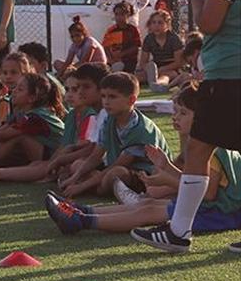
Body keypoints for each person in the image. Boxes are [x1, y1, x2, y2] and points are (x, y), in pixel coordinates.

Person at [134, 0, 241, 253]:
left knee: (197, 149)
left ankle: (179, 231)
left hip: (228, 75)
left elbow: (209, 24)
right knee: (199, 147)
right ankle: (178, 230)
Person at [48, 84, 240, 239]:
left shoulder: (209, 149)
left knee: (148, 210)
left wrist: (167, 175)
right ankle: (80, 211)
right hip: (216, 207)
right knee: (147, 204)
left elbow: (208, 193)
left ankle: (80, 221)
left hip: (225, 213)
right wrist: (166, 169)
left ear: (202, 118)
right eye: (176, 111)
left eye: (183, 113)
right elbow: (194, 183)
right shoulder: (199, 143)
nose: (175, 117)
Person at [58, 72, 169, 199]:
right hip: (113, 168)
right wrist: (74, 178)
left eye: (112, 97)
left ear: (131, 100)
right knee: (78, 164)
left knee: (116, 174)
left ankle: (94, 189)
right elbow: (96, 155)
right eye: (103, 96)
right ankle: (92, 185)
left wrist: (80, 186)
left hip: (145, 176)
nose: (106, 102)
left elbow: (119, 164)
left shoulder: (141, 129)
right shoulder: (109, 120)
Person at [136, 9, 183, 92]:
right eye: (154, 22)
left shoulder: (173, 38)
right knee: (139, 76)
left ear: (167, 25)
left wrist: (162, 69)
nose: (156, 26)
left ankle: (158, 84)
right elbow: (143, 62)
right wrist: (148, 69)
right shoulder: (149, 39)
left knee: (166, 75)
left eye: (160, 23)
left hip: (171, 67)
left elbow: (179, 62)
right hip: (155, 66)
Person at [102, 2, 142, 72]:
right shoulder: (111, 30)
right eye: (116, 14)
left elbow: (137, 46)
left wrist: (122, 54)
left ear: (128, 15)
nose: (118, 17)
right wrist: (111, 59)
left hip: (129, 60)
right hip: (113, 60)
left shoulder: (133, 30)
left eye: (122, 14)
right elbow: (106, 46)